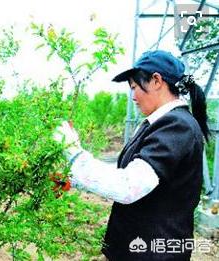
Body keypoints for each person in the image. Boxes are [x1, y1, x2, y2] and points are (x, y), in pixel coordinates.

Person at [53, 50, 209, 260]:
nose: (133, 97)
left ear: (156, 80)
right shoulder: (155, 124)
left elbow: (128, 186)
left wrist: (72, 150)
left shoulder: (177, 126)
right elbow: (128, 174)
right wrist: (73, 179)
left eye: (135, 87)